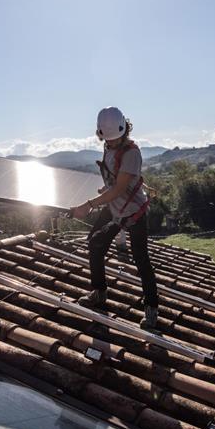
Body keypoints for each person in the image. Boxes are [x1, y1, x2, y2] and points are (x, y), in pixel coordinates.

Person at [70, 107, 160, 330]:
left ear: (124, 131)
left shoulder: (131, 153)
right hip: (113, 207)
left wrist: (89, 205)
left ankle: (151, 308)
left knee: (141, 259)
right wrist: (105, 190)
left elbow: (120, 189)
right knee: (95, 243)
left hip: (133, 211)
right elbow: (115, 184)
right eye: (107, 140)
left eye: (114, 140)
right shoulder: (109, 146)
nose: (110, 143)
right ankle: (99, 292)